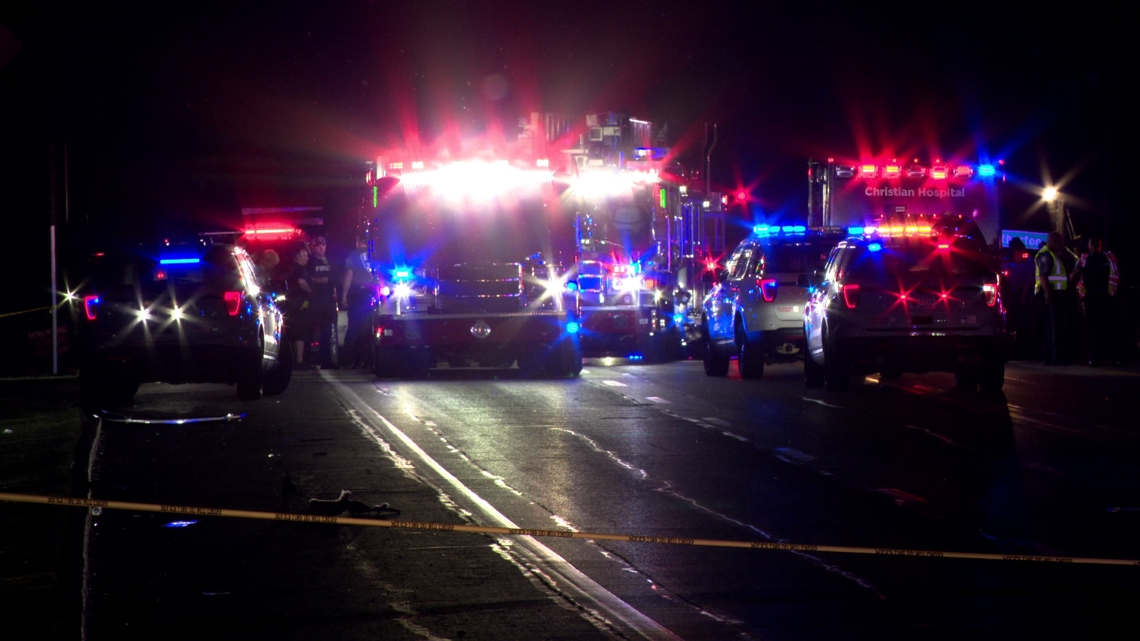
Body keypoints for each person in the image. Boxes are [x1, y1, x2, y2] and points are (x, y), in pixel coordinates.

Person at [1070, 234, 1120, 365]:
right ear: (1088, 245)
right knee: (1092, 329)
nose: (1093, 246)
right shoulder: (1083, 259)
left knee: (1109, 327)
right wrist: (1081, 288)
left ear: (1100, 245)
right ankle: (1095, 357)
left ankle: (1113, 357)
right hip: (1090, 298)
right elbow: (1072, 276)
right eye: (1091, 244)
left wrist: (1112, 293)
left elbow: (1116, 274)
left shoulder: (1109, 257)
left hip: (1106, 297)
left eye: (1096, 244)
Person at [1035, 231, 1072, 365]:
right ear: (1055, 241)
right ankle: (1054, 357)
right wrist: (1049, 293)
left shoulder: (1054, 254)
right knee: (1053, 327)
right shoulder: (1046, 255)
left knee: (1055, 326)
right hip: (1050, 295)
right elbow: (1043, 276)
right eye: (1060, 241)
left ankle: (1052, 356)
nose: (1062, 244)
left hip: (1057, 294)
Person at [341, 233, 377, 369]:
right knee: (369, 328)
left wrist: (344, 296)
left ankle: (347, 360)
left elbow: (348, 276)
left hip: (357, 294)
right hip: (373, 293)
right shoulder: (375, 254)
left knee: (353, 328)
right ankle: (367, 360)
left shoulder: (353, 255)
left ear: (357, 240)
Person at [307, 236, 338, 368]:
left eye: (324, 245)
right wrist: (321, 280)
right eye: (319, 245)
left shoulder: (330, 261)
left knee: (327, 331)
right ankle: (307, 359)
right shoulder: (310, 262)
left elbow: (334, 279)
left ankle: (326, 360)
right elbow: (309, 279)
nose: (322, 247)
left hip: (328, 300)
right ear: (313, 247)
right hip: (313, 300)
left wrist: (318, 280)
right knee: (310, 330)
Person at [284, 244, 314, 368]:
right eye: (305, 255)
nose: (307, 258)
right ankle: (300, 361)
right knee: (300, 332)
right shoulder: (300, 269)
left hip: (291, 304)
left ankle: (292, 360)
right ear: (297, 256)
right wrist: (310, 291)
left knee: (292, 331)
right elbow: (301, 282)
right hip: (300, 304)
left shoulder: (290, 268)